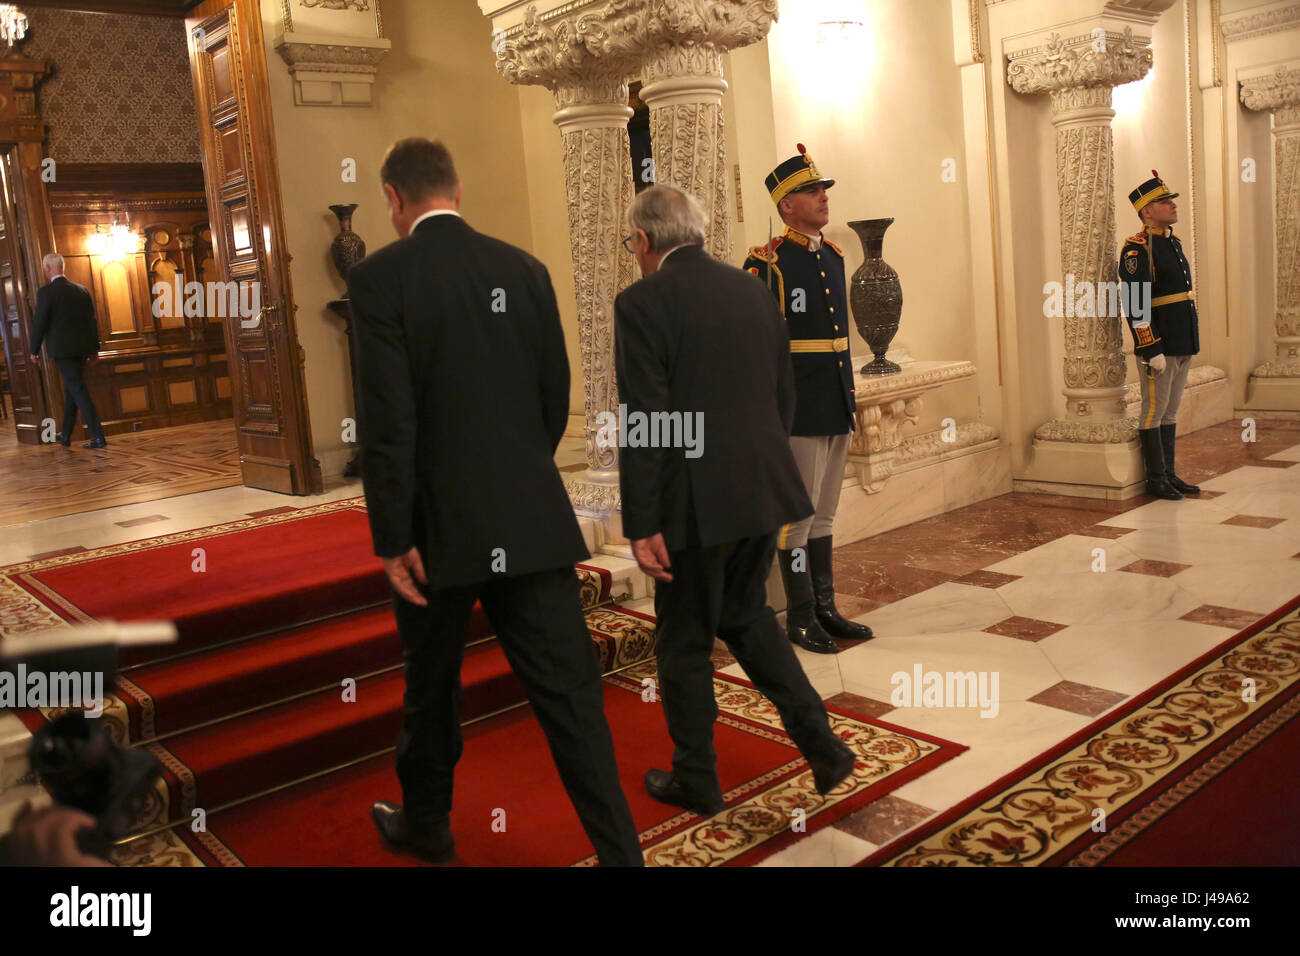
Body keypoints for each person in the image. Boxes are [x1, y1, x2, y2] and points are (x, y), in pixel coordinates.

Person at [348, 138, 643, 866]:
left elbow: (389, 423)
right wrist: (516, 478)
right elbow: (554, 397)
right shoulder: (523, 267)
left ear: (392, 198)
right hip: (529, 517)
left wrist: (392, 535)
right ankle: (621, 854)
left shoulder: (380, 278)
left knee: (432, 686)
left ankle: (427, 823)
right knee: (572, 696)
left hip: (435, 532)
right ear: (456, 186)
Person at [616, 184, 858, 816]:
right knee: (747, 616)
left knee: (683, 641)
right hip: (762, 488)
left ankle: (696, 776)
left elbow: (647, 418)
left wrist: (643, 519)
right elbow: (782, 395)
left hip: (695, 504)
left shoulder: (641, 301)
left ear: (643, 241)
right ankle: (824, 746)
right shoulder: (750, 287)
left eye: (631, 244)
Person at [742, 145, 872, 654]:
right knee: (795, 516)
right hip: (795, 408)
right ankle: (798, 614)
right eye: (812, 191)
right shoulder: (767, 263)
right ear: (786, 205)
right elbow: (755, 346)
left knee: (825, 513)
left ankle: (824, 606)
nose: (823, 197)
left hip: (835, 399)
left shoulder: (833, 257)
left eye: (822, 190)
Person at [1119, 170, 1201, 501]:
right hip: (1160, 344)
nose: (1172, 205)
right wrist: (1150, 347)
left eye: (1171, 200)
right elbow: (1135, 302)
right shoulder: (1138, 249)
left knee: (1170, 410)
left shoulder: (1171, 243)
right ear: (1147, 211)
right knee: (1153, 410)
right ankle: (1155, 478)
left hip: (1181, 339)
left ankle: (1169, 473)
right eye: (1164, 201)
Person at [29, 253, 106, 449]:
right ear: (62, 267)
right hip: (82, 349)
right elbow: (91, 321)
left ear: (47, 268)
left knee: (77, 389)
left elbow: (40, 322)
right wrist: (94, 350)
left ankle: (98, 436)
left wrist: (34, 350)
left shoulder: (46, 292)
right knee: (72, 389)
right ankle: (66, 435)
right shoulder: (81, 290)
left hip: (62, 351)